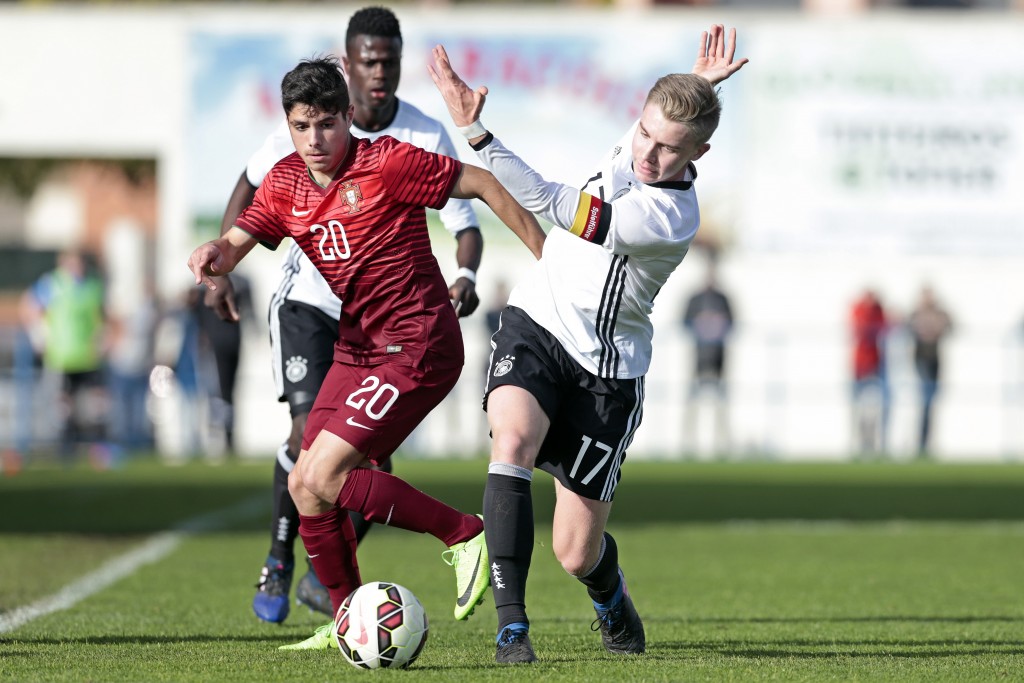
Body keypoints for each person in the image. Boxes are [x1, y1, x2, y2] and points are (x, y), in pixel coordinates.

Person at [187, 55, 546, 650]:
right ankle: (347, 619)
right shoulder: (283, 182)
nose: (315, 139)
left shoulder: (387, 163)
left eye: (326, 124)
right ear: (288, 124)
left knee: (326, 473)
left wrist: (547, 262)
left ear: (348, 117)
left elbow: (481, 184)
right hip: (358, 347)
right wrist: (214, 256)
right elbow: (234, 242)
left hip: (419, 343)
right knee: (305, 484)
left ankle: (465, 534)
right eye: (301, 126)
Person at [428, 24, 747, 663]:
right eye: (646, 133)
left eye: (670, 149)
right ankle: (512, 629)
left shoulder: (668, 218)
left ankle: (609, 596)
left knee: (575, 551)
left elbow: (548, 201)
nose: (648, 154)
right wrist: (698, 84)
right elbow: (669, 118)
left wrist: (476, 133)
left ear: (699, 155)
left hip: (606, 370)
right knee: (511, 442)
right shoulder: (644, 140)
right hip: (536, 323)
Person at [20, 249, 109, 464]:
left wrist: (103, 337)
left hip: (88, 354)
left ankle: (97, 445)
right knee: (63, 404)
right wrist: (39, 334)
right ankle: (66, 447)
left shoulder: (93, 285)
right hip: (61, 355)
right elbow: (28, 306)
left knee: (96, 402)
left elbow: (101, 315)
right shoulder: (52, 284)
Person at [682, 264, 734, 456]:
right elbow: (685, 323)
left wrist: (717, 326)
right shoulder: (695, 299)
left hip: (719, 359)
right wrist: (702, 325)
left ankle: (723, 445)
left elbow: (732, 324)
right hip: (697, 358)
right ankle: (688, 444)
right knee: (692, 402)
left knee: (721, 403)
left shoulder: (723, 299)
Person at [907, 285, 952, 457]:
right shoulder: (916, 312)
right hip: (921, 359)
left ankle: (926, 443)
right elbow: (908, 328)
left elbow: (950, 326)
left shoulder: (939, 312)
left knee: (931, 401)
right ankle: (921, 444)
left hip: (935, 360)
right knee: (925, 400)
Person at [850, 288, 890, 456]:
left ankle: (874, 445)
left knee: (874, 409)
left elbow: (885, 329)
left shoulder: (879, 312)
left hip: (876, 366)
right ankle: (860, 445)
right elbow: (861, 330)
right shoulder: (859, 309)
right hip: (860, 367)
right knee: (860, 408)